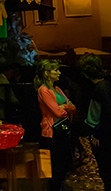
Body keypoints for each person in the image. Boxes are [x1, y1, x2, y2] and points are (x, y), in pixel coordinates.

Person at [80, 54, 111, 191]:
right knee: (106, 171)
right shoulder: (101, 86)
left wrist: (98, 133)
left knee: (109, 170)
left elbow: (109, 114)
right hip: (99, 133)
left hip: (102, 135)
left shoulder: (103, 87)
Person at [35, 60, 76, 191]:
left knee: (64, 165)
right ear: (47, 73)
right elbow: (56, 112)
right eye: (55, 70)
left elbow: (73, 107)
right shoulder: (43, 90)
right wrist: (65, 108)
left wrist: (63, 107)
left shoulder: (57, 89)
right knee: (55, 167)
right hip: (52, 132)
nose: (59, 73)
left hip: (63, 129)